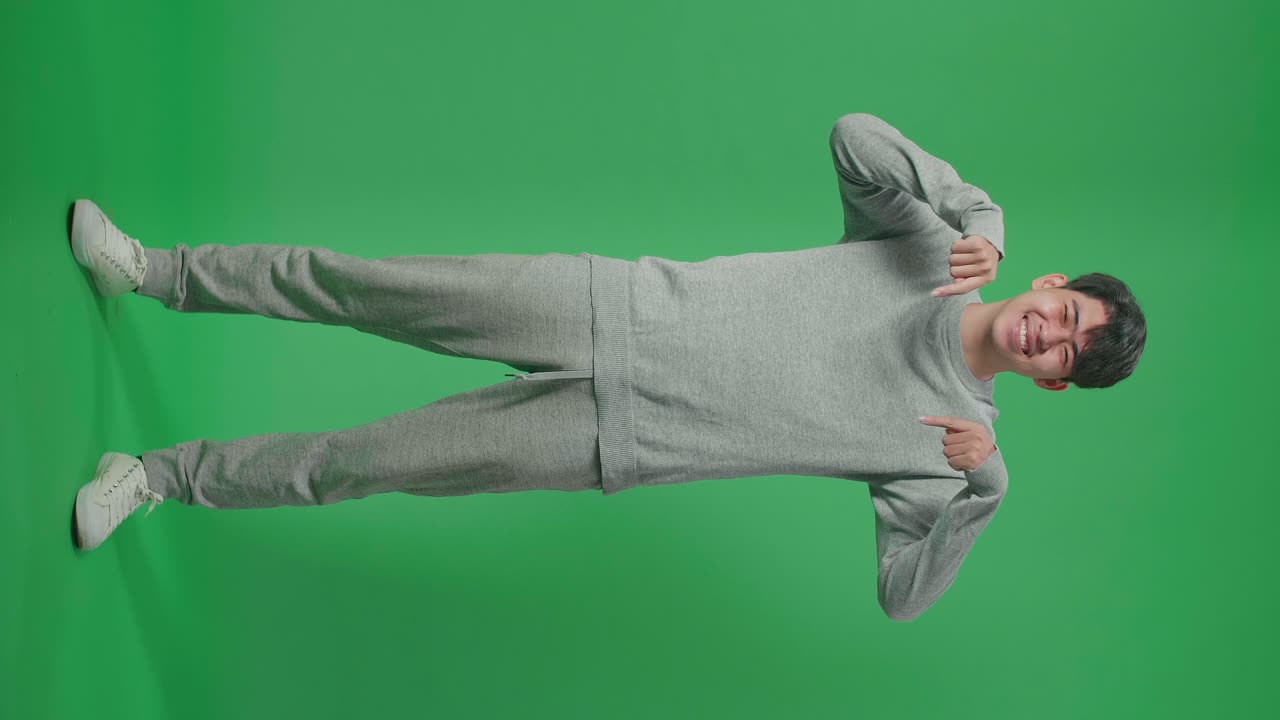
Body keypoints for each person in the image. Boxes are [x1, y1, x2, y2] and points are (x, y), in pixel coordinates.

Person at [67, 112, 1146, 622]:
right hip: (603, 306)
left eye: (1065, 351)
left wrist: (980, 491)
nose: (1049, 332)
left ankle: (155, 477)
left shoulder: (956, 455)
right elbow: (853, 135)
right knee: (363, 284)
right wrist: (973, 208)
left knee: (361, 463)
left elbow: (900, 598)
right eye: (1064, 311)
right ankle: (152, 269)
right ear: (1048, 285)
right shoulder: (930, 248)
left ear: (1053, 381)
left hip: (606, 444)